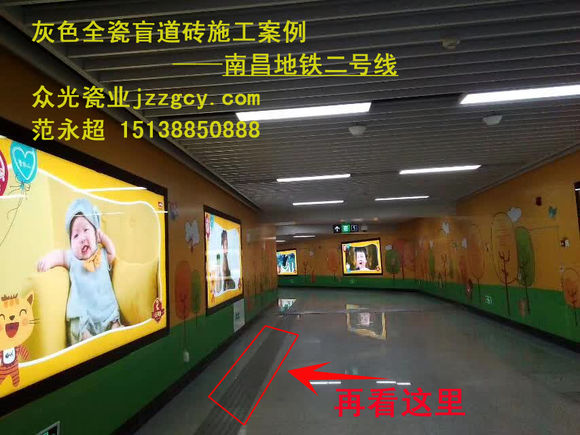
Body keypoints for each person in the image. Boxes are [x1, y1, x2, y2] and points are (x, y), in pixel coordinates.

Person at [37, 198, 121, 345]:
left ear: (96, 235)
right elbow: (59, 255)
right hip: (85, 316)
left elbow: (112, 254)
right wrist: (48, 261)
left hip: (106, 312)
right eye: (75, 235)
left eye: (86, 230)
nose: (82, 238)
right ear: (70, 244)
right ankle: (87, 339)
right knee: (78, 323)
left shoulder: (102, 255)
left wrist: (103, 238)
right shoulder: (72, 259)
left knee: (114, 319)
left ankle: (115, 328)